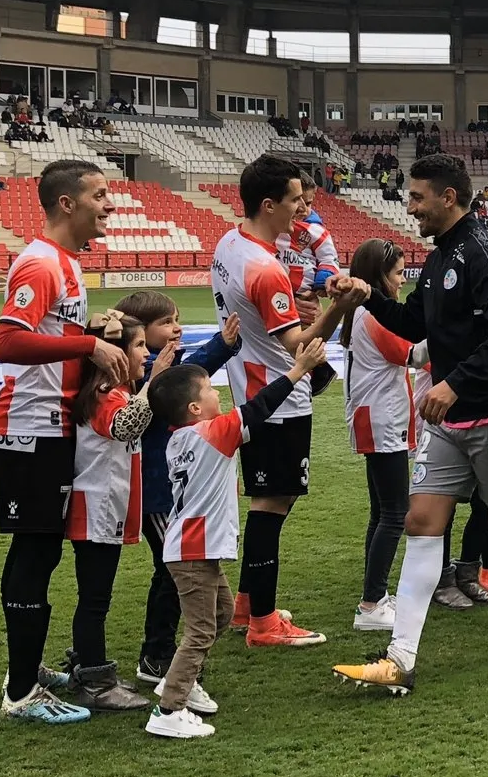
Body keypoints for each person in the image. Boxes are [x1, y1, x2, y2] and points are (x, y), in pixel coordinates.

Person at [331, 152, 488, 695]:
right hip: (447, 422)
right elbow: (414, 323)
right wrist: (370, 298)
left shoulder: (482, 252)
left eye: (417, 197)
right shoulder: (438, 259)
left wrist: (452, 383)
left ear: (448, 197)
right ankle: (400, 657)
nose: (411, 208)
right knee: (420, 522)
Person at [144, 328, 340, 739]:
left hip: (192, 547)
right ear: (196, 408)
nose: (219, 394)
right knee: (200, 629)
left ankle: (180, 680)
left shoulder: (181, 438)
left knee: (217, 614)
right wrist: (299, 369)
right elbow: (258, 408)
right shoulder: (211, 433)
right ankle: (168, 708)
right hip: (195, 551)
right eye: (211, 390)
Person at [0, 159, 128, 724]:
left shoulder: (67, 264)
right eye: (99, 195)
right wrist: (86, 348)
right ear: (67, 203)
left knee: (40, 551)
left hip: (50, 426)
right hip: (28, 429)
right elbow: (9, 343)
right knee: (36, 551)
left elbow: (52, 337)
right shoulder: (42, 263)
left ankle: (24, 671)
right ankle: (21, 692)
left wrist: (92, 334)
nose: (109, 206)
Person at [209, 155, 333, 647]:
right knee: (272, 503)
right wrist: (340, 306)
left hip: (250, 389)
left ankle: (246, 605)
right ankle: (263, 621)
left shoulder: (230, 243)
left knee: (268, 498)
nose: (301, 208)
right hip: (279, 397)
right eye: (294, 200)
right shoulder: (264, 267)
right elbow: (297, 344)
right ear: (268, 204)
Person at [111, 292, 241, 686]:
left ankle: (162, 652)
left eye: (177, 319)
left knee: (173, 571)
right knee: (174, 571)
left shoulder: (158, 365)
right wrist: (221, 346)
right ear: (140, 329)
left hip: (166, 492)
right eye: (167, 322)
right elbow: (187, 378)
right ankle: (157, 656)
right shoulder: (139, 370)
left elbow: (192, 374)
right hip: (155, 492)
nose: (176, 327)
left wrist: (223, 344)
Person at [59, 311, 160, 713]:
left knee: (95, 596)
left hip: (102, 506)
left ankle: (86, 667)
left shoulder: (110, 390)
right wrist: (155, 383)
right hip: (96, 507)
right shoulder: (105, 391)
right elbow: (125, 426)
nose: (146, 353)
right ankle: (95, 680)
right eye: (138, 346)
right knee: (95, 598)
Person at [339, 237, 423, 633]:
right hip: (381, 417)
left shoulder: (358, 312)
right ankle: (371, 603)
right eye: (397, 274)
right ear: (379, 276)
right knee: (394, 513)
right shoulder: (373, 315)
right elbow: (416, 355)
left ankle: (375, 594)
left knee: (382, 511)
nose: (402, 281)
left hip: (375, 414)